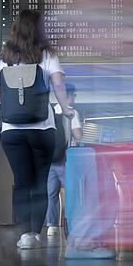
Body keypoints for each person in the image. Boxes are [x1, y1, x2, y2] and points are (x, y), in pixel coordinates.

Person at [0, 9, 69, 250]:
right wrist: (66, 109)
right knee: (39, 183)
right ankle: (36, 233)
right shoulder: (46, 55)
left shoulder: (4, 58)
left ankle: (24, 235)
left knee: (21, 181)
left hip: (11, 131)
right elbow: (58, 85)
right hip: (42, 129)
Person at [45, 83, 82, 238]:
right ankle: (71, 224)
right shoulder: (72, 113)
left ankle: (51, 227)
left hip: (48, 161)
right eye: (73, 95)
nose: (74, 98)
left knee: (50, 196)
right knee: (72, 193)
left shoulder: (49, 111)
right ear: (68, 96)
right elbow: (78, 136)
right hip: (65, 160)